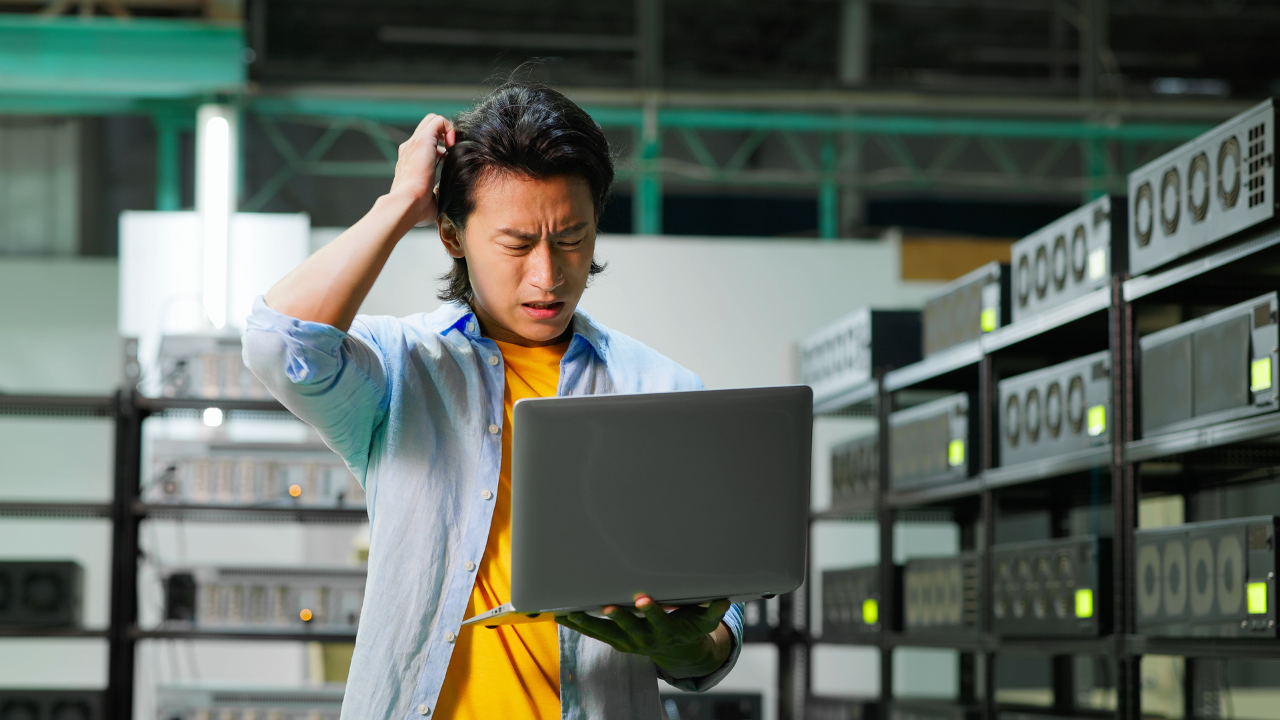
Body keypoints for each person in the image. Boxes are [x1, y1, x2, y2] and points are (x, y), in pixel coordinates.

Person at [242, 80, 744, 720]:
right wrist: (399, 204)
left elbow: (717, 621)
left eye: (572, 239)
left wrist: (690, 646)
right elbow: (277, 344)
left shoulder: (663, 391)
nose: (548, 275)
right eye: (516, 244)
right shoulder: (400, 370)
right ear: (452, 237)